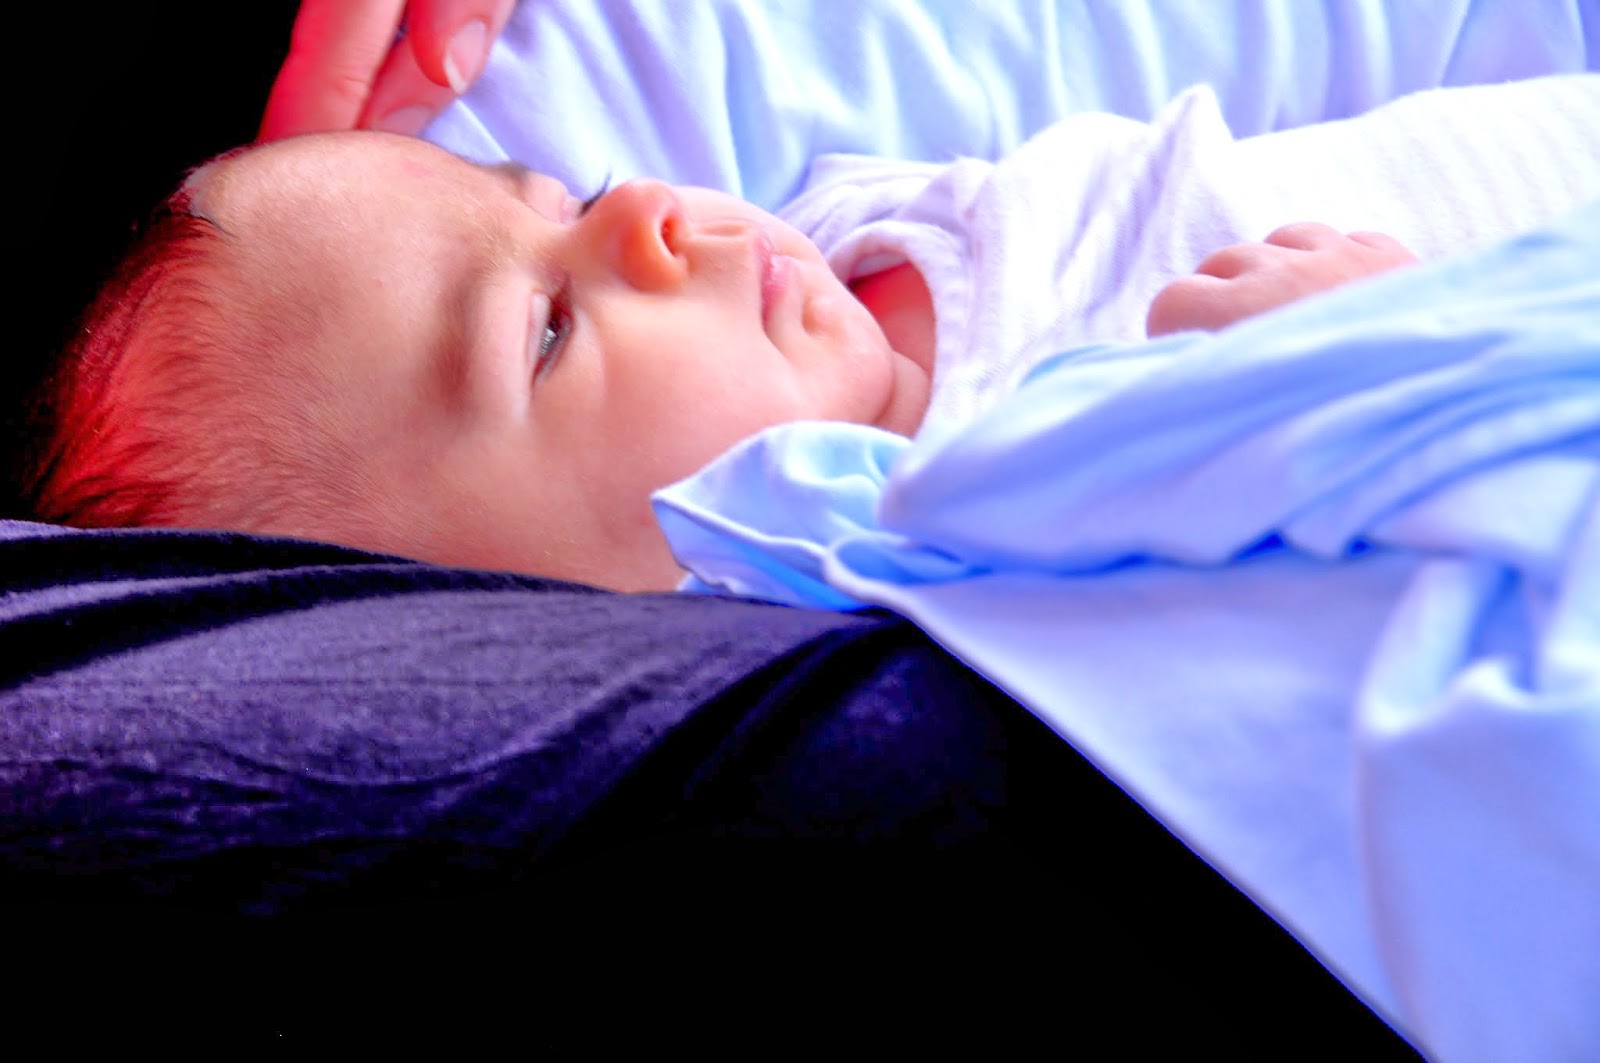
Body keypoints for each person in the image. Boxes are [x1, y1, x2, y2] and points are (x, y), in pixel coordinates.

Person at [19, 70, 1598, 592]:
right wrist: (1397, 354)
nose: (649, 213)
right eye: (548, 329)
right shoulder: (996, 540)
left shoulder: (852, 229)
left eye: (564, 197)